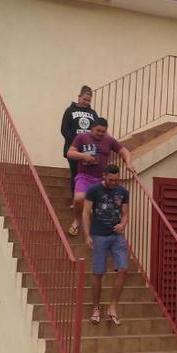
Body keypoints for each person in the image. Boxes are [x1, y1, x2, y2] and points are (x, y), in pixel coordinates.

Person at [66, 118, 133, 237]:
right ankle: (77, 220)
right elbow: (70, 153)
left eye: (103, 131)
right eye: (98, 131)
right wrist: (83, 156)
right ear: (92, 128)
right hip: (84, 176)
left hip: (101, 179)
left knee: (102, 205)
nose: (101, 133)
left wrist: (128, 163)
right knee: (79, 199)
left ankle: (96, 229)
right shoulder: (82, 137)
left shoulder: (109, 140)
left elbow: (124, 152)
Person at [83, 164, 130, 325]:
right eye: (111, 180)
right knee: (98, 273)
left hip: (117, 236)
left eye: (116, 180)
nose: (113, 183)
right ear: (104, 176)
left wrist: (123, 224)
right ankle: (96, 308)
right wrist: (87, 235)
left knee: (123, 269)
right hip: (99, 235)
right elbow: (86, 212)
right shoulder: (94, 190)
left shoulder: (123, 192)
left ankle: (113, 307)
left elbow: (125, 214)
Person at [60, 85, 98, 195]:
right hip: (73, 149)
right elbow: (64, 129)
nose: (86, 102)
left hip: (88, 150)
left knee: (87, 175)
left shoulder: (93, 113)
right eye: (84, 99)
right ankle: (75, 199)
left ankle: (86, 198)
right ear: (79, 97)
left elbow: (96, 129)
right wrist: (76, 143)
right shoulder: (69, 111)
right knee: (76, 173)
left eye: (88, 100)